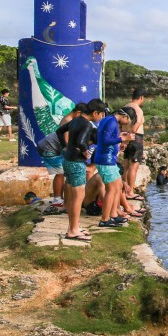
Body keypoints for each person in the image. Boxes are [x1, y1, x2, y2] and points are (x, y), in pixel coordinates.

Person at [90, 101, 135, 228]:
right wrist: (122, 139)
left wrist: (119, 140)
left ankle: (114, 215)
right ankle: (105, 219)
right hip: (105, 160)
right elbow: (104, 140)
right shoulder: (111, 122)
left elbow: (108, 138)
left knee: (117, 187)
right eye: (129, 121)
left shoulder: (109, 120)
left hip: (108, 159)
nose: (128, 124)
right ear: (125, 116)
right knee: (111, 189)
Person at [62, 104, 96, 242]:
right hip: (76, 162)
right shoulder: (87, 124)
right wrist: (85, 151)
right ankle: (73, 230)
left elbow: (59, 131)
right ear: (95, 113)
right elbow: (82, 141)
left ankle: (73, 227)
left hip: (68, 160)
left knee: (72, 196)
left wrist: (66, 146)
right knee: (78, 196)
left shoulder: (74, 120)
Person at [123, 89, 148, 199]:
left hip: (125, 137)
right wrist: (132, 133)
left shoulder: (125, 106)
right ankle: (130, 192)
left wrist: (125, 139)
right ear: (141, 97)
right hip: (135, 138)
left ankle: (124, 190)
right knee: (134, 167)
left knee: (126, 166)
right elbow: (136, 125)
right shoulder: (138, 109)